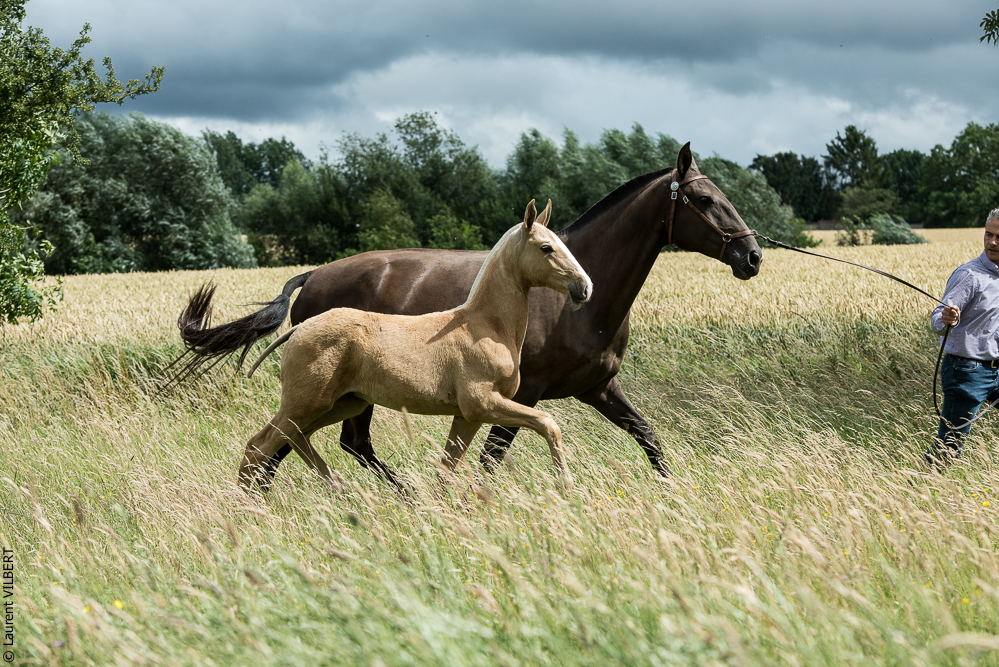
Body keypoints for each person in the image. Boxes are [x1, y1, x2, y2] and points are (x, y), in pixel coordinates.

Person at [927, 207, 999, 464]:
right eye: (989, 234)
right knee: (948, 448)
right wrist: (948, 319)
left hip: (996, 370)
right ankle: (919, 492)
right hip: (966, 371)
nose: (992, 242)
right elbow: (938, 318)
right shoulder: (969, 275)